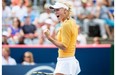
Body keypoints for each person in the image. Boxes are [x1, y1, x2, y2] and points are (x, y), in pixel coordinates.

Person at [44, 1, 81, 75]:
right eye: (54, 10)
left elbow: (64, 46)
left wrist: (49, 38)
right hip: (69, 60)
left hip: (66, 62)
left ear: (65, 10)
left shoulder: (66, 25)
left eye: (58, 10)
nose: (55, 12)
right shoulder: (71, 22)